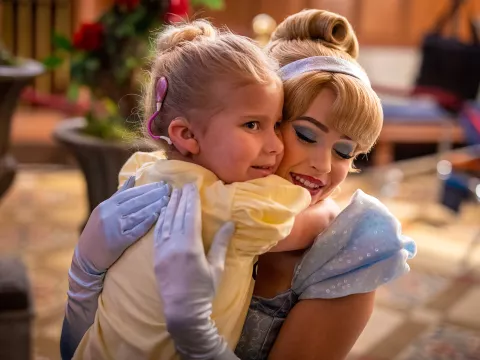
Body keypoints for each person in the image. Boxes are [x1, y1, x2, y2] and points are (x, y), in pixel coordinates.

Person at [62, 10, 416, 360]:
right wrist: (84, 278)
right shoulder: (184, 183)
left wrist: (200, 341)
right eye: (304, 134)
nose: (323, 165)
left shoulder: (347, 250)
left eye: (345, 151)